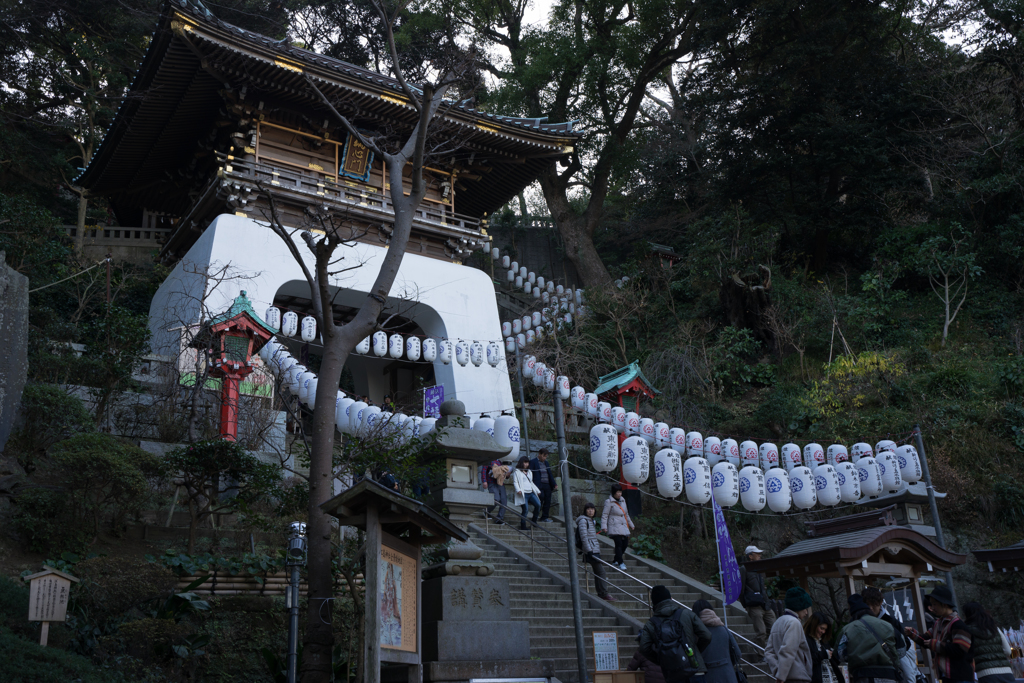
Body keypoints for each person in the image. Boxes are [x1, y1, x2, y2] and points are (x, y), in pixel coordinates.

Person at [639, 585, 713, 683]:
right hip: (695, 669)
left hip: (673, 673)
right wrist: (694, 651)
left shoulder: (651, 624)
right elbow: (707, 636)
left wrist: (661, 660)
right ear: (670, 598)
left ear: (654, 604)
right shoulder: (687, 614)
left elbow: (644, 648)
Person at [904, 585, 972, 683]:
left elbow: (960, 650)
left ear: (944, 604)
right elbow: (925, 639)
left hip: (961, 677)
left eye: (934, 604)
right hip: (946, 676)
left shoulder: (958, 624)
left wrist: (936, 645)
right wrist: (912, 633)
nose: (932, 607)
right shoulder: (938, 623)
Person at [837, 594, 897, 683]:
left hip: (863, 675)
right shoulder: (887, 625)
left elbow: (840, 654)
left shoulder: (848, 629)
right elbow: (902, 649)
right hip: (889, 675)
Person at [862, 587, 916, 683]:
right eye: (867, 604)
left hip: (891, 666)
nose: (870, 608)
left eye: (874, 604)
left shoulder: (890, 621)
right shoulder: (860, 623)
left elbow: (905, 644)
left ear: (880, 602)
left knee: (909, 677)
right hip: (869, 669)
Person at [765, 587, 815, 683]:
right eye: (805, 608)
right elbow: (788, 650)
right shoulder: (794, 623)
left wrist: (778, 672)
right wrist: (781, 676)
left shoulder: (777, 622)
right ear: (799, 606)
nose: (806, 612)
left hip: (784, 677)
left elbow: (769, 651)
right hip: (797, 677)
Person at [961, 601, 1014, 683]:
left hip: (985, 675)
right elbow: (1008, 651)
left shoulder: (966, 630)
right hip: (1007, 673)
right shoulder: (993, 627)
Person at [693, 599, 742, 683]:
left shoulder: (695, 632)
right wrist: (727, 664)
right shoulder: (724, 629)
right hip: (728, 676)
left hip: (707, 677)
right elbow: (737, 653)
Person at [576, 502, 615, 601]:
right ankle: (603, 593)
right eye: (588, 509)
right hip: (590, 550)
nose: (590, 511)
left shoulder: (591, 521)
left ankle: (602, 593)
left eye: (592, 509)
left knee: (599, 572)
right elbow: (584, 537)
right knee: (601, 572)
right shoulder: (583, 521)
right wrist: (589, 550)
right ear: (585, 511)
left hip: (593, 549)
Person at [740, 545, 776, 648]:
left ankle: (764, 649)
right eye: (757, 554)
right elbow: (741, 588)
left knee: (774, 629)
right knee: (761, 632)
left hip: (765, 604)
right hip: (753, 604)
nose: (760, 555)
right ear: (750, 556)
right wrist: (745, 604)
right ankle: (760, 654)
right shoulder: (744, 569)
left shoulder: (759, 568)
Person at [601, 484, 635, 570]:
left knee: (625, 544)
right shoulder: (609, 502)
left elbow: (626, 514)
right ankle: (621, 562)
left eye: (620, 492)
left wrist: (631, 524)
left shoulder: (623, 500)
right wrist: (604, 526)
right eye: (617, 492)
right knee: (619, 544)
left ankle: (616, 560)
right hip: (614, 526)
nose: (619, 494)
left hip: (623, 526)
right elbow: (605, 515)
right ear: (613, 493)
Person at [804, 613, 842, 683]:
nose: (823, 632)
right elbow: (808, 660)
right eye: (821, 628)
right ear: (813, 625)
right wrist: (823, 654)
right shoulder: (805, 641)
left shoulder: (823, 641)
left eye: (825, 629)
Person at [512, 455, 542, 529]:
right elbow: (515, 482)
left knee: (538, 505)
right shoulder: (517, 472)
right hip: (523, 493)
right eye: (525, 463)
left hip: (530, 492)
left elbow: (531, 482)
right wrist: (518, 489)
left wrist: (537, 490)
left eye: (527, 463)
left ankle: (534, 521)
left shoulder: (529, 472)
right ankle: (523, 525)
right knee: (525, 510)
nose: (526, 464)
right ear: (521, 463)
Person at [529, 448, 558, 522]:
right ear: (539, 454)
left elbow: (550, 474)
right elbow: (530, 474)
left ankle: (544, 517)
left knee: (548, 501)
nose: (544, 458)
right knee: (540, 499)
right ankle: (535, 515)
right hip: (538, 484)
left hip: (547, 484)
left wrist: (554, 484)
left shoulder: (546, 463)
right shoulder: (533, 462)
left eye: (546, 456)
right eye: (544, 456)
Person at [481, 458, 509, 524]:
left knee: (504, 501)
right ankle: (486, 511)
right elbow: (484, 470)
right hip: (491, 482)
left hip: (500, 482)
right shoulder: (489, 458)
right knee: (496, 499)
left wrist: (507, 474)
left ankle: (499, 518)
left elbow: (505, 474)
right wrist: (484, 481)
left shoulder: (501, 461)